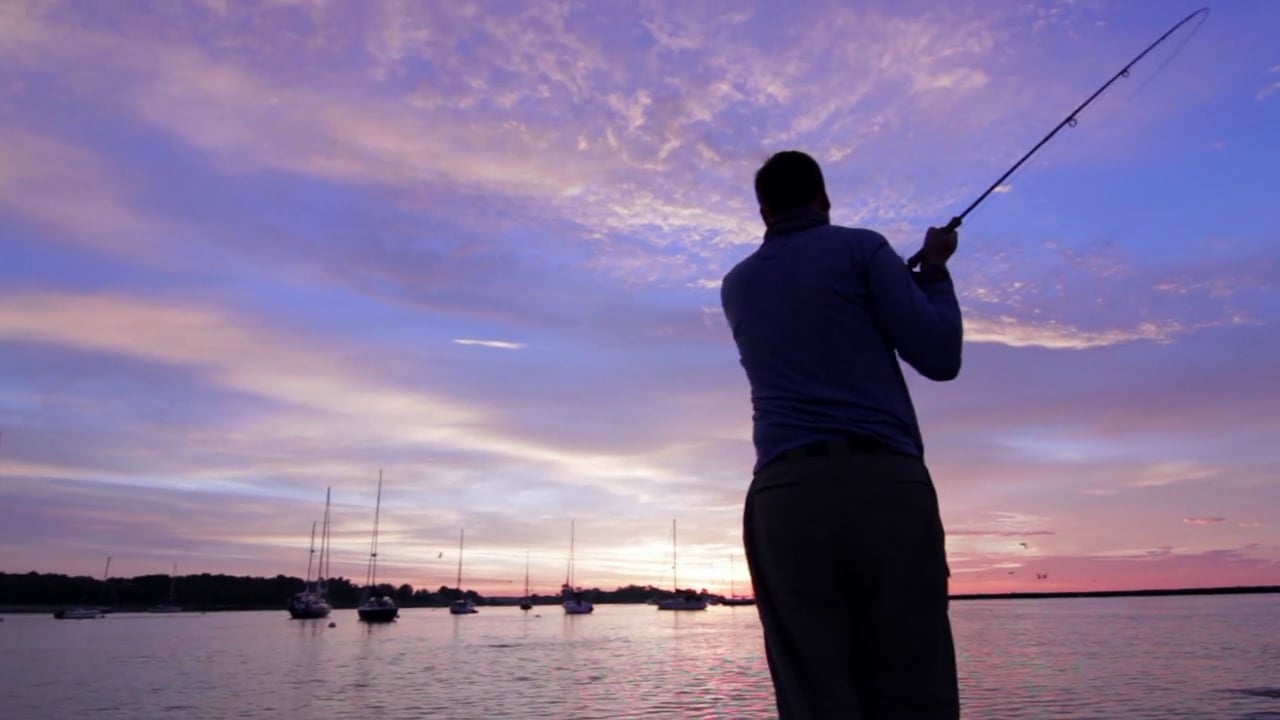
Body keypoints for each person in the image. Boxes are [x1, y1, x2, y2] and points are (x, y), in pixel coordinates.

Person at [719, 150, 962, 719]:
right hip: (886, 487)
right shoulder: (863, 249)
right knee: (915, 691)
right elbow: (940, 356)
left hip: (785, 497)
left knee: (814, 699)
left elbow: (813, 318)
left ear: (764, 212)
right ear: (824, 200)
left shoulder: (737, 285)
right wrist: (933, 274)